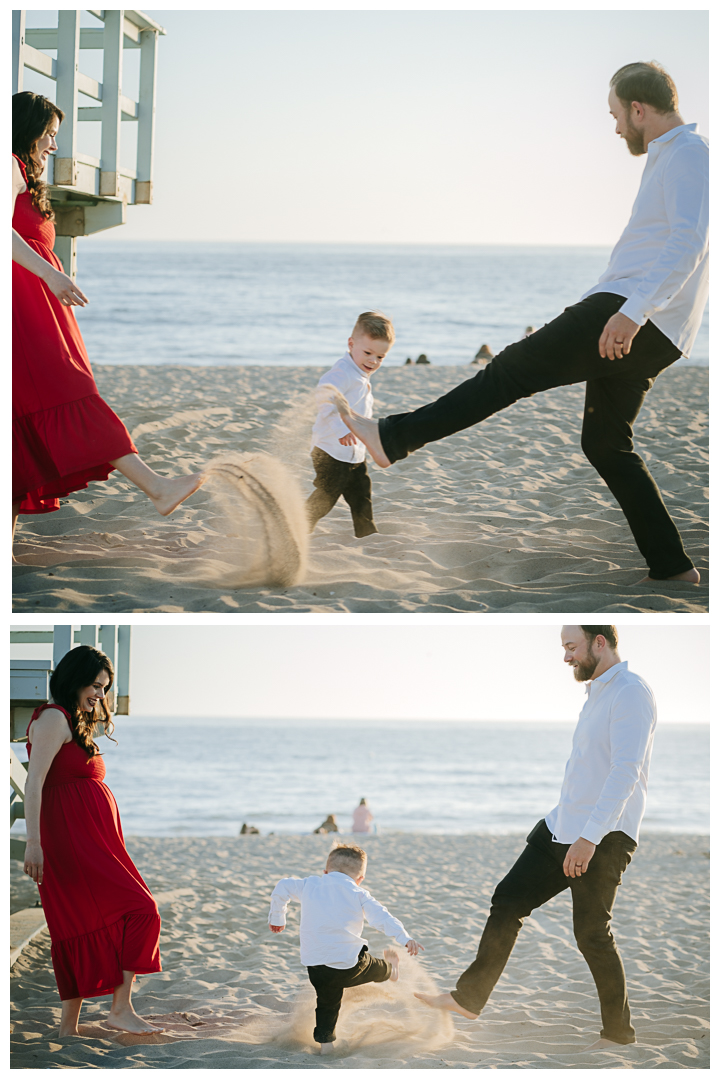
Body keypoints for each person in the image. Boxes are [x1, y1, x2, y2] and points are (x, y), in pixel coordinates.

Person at [336, 63, 707, 584]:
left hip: (629, 312)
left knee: (508, 370)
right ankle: (672, 567)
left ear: (639, 109)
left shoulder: (689, 154)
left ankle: (393, 439)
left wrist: (630, 311)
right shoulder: (671, 157)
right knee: (605, 443)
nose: (617, 128)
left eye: (617, 116)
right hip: (649, 322)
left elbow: (689, 242)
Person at [416, 624, 655, 1050]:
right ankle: (468, 998)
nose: (566, 658)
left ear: (600, 642)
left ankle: (618, 1036)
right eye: (564, 648)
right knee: (507, 900)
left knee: (592, 935)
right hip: (561, 824)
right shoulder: (597, 693)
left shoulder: (631, 692)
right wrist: (567, 825)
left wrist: (589, 838)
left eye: (571, 647)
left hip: (603, 835)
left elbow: (625, 772)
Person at [12, 91, 205, 543]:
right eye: (49, 135)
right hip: (24, 309)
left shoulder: (22, 172)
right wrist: (52, 276)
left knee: (19, 426)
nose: (53, 146)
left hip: (33, 305)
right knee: (71, 390)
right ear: (28, 130)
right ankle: (157, 487)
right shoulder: (7, 165)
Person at [22, 645, 163, 1037]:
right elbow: (35, 782)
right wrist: (33, 843)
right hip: (70, 839)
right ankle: (120, 1009)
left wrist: (99, 698)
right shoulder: (53, 718)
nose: (100, 695)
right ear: (75, 678)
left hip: (91, 839)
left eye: (105, 688)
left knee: (80, 923)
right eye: (96, 685)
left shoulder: (72, 718)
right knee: (141, 909)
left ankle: (69, 1028)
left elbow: (99, 711)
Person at [268, 842, 423, 1052]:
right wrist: (405, 938)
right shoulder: (359, 893)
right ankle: (392, 971)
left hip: (317, 967)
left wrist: (278, 917)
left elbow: (283, 886)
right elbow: (382, 917)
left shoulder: (309, 885)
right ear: (360, 879)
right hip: (350, 964)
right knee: (377, 967)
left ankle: (326, 1046)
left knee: (327, 1004)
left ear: (325, 871)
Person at [306, 312, 395, 538]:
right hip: (330, 449)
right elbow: (325, 396)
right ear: (351, 343)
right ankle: (297, 527)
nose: (373, 361)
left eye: (380, 357)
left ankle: (367, 534)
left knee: (361, 494)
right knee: (326, 496)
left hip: (354, 452)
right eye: (368, 353)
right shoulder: (343, 372)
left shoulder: (359, 373)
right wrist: (342, 429)